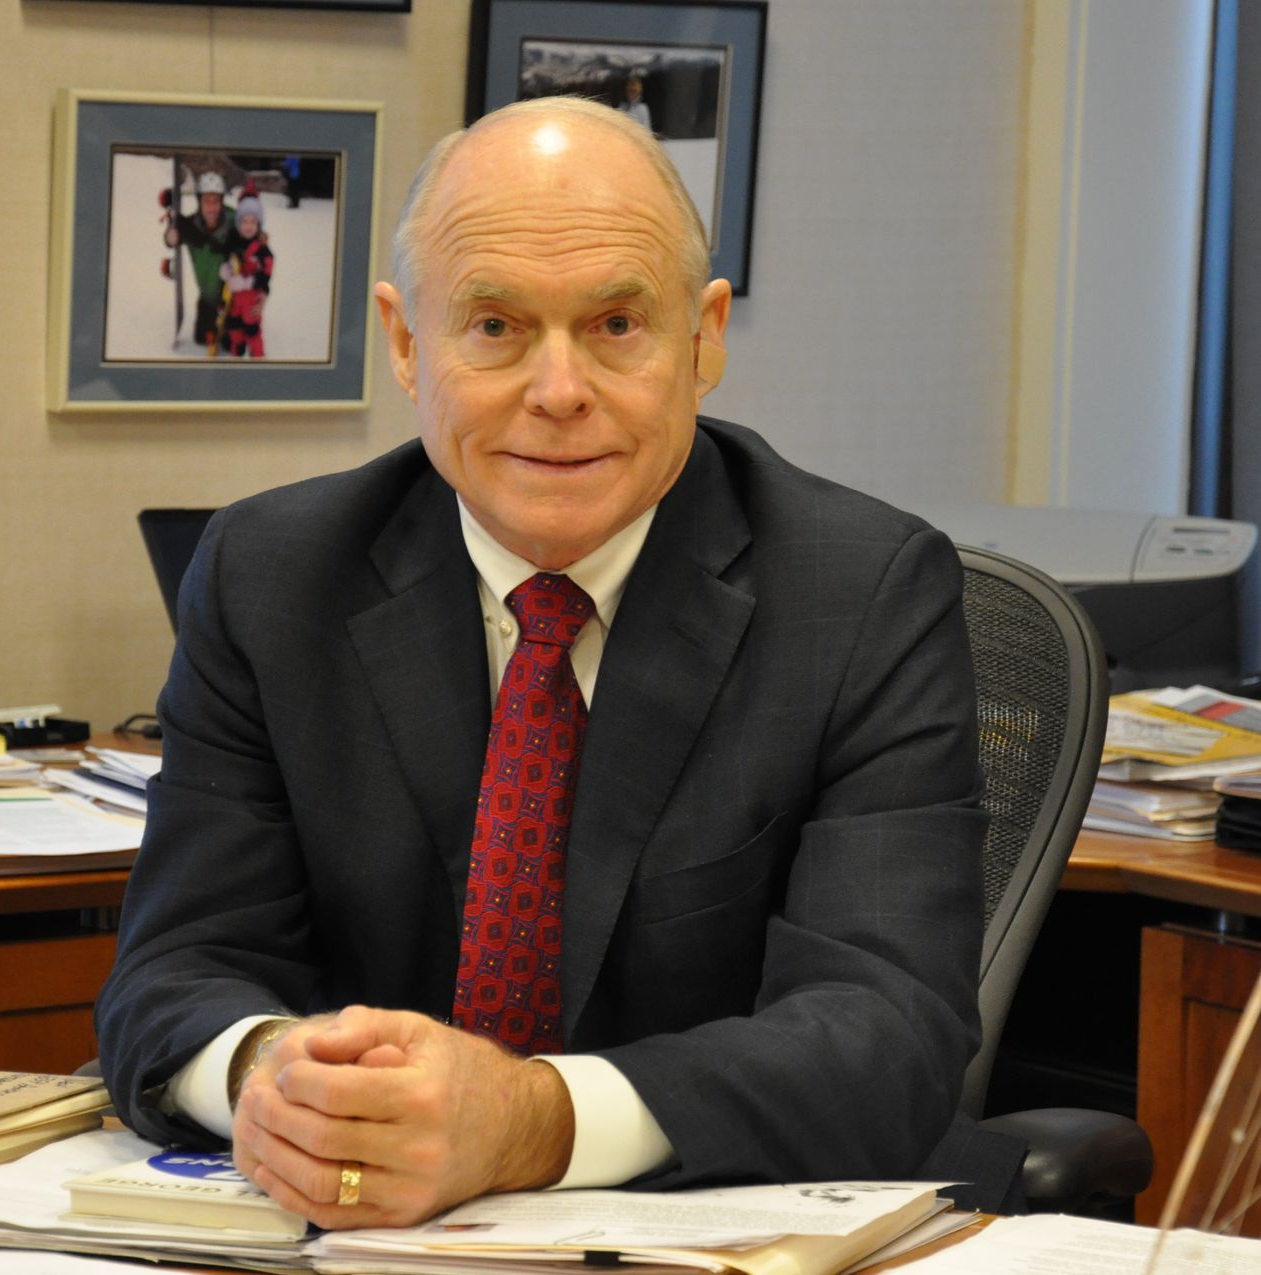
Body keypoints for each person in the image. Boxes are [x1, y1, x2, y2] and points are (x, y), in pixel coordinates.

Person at [98, 95, 1018, 1233]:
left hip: (718, 1238)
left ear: (706, 336)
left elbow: (885, 1040)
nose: (560, 390)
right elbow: (171, 976)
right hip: (369, 1240)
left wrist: (527, 1121)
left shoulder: (861, 593)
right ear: (402, 339)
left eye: (618, 323)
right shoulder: (273, 575)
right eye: (493, 325)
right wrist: (278, 1077)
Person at [166, 172, 237, 353]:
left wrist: (259, 236)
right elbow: (173, 234)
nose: (212, 207)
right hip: (207, 299)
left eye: (216, 201)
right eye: (207, 201)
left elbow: (252, 227)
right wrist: (169, 237)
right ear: (199, 202)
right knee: (201, 339)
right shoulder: (192, 227)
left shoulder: (234, 222)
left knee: (231, 345)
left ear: (222, 202)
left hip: (231, 301)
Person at [223, 192, 274, 358]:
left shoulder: (262, 250)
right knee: (235, 327)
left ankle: (257, 356)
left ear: (258, 224)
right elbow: (229, 261)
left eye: (253, 221)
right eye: (244, 221)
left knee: (252, 329)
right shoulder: (234, 243)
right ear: (238, 224)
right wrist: (226, 270)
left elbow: (266, 274)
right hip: (235, 300)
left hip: (252, 301)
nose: (248, 226)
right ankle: (236, 352)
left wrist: (247, 283)